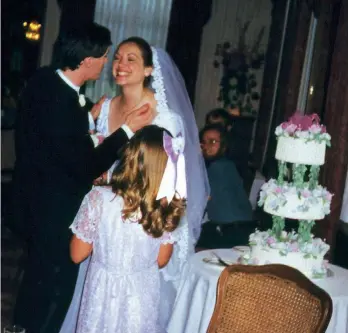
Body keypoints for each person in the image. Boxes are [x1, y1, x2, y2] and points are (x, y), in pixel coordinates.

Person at [60, 36, 209, 331]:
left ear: (149, 70)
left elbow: (173, 178)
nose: (121, 65)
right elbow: (93, 160)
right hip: (106, 219)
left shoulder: (165, 117)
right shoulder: (104, 109)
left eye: (131, 59)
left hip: (146, 219)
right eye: (117, 58)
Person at [12, 24, 153, 333]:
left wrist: (86, 117)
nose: (109, 64)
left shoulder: (44, 81)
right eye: (106, 56)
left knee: (35, 279)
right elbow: (84, 165)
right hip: (54, 211)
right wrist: (126, 129)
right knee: (56, 288)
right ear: (88, 60)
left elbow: (52, 136)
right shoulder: (64, 104)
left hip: (30, 201)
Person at [69, 125, 187, 332]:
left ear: (130, 158)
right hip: (141, 294)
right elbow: (161, 260)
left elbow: (77, 254)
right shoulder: (166, 206)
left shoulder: (99, 199)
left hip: (102, 292)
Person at [196, 124, 254, 249]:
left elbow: (203, 198)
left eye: (213, 141)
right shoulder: (224, 164)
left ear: (224, 145)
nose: (207, 146)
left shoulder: (219, 167)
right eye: (203, 142)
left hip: (232, 232)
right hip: (232, 227)